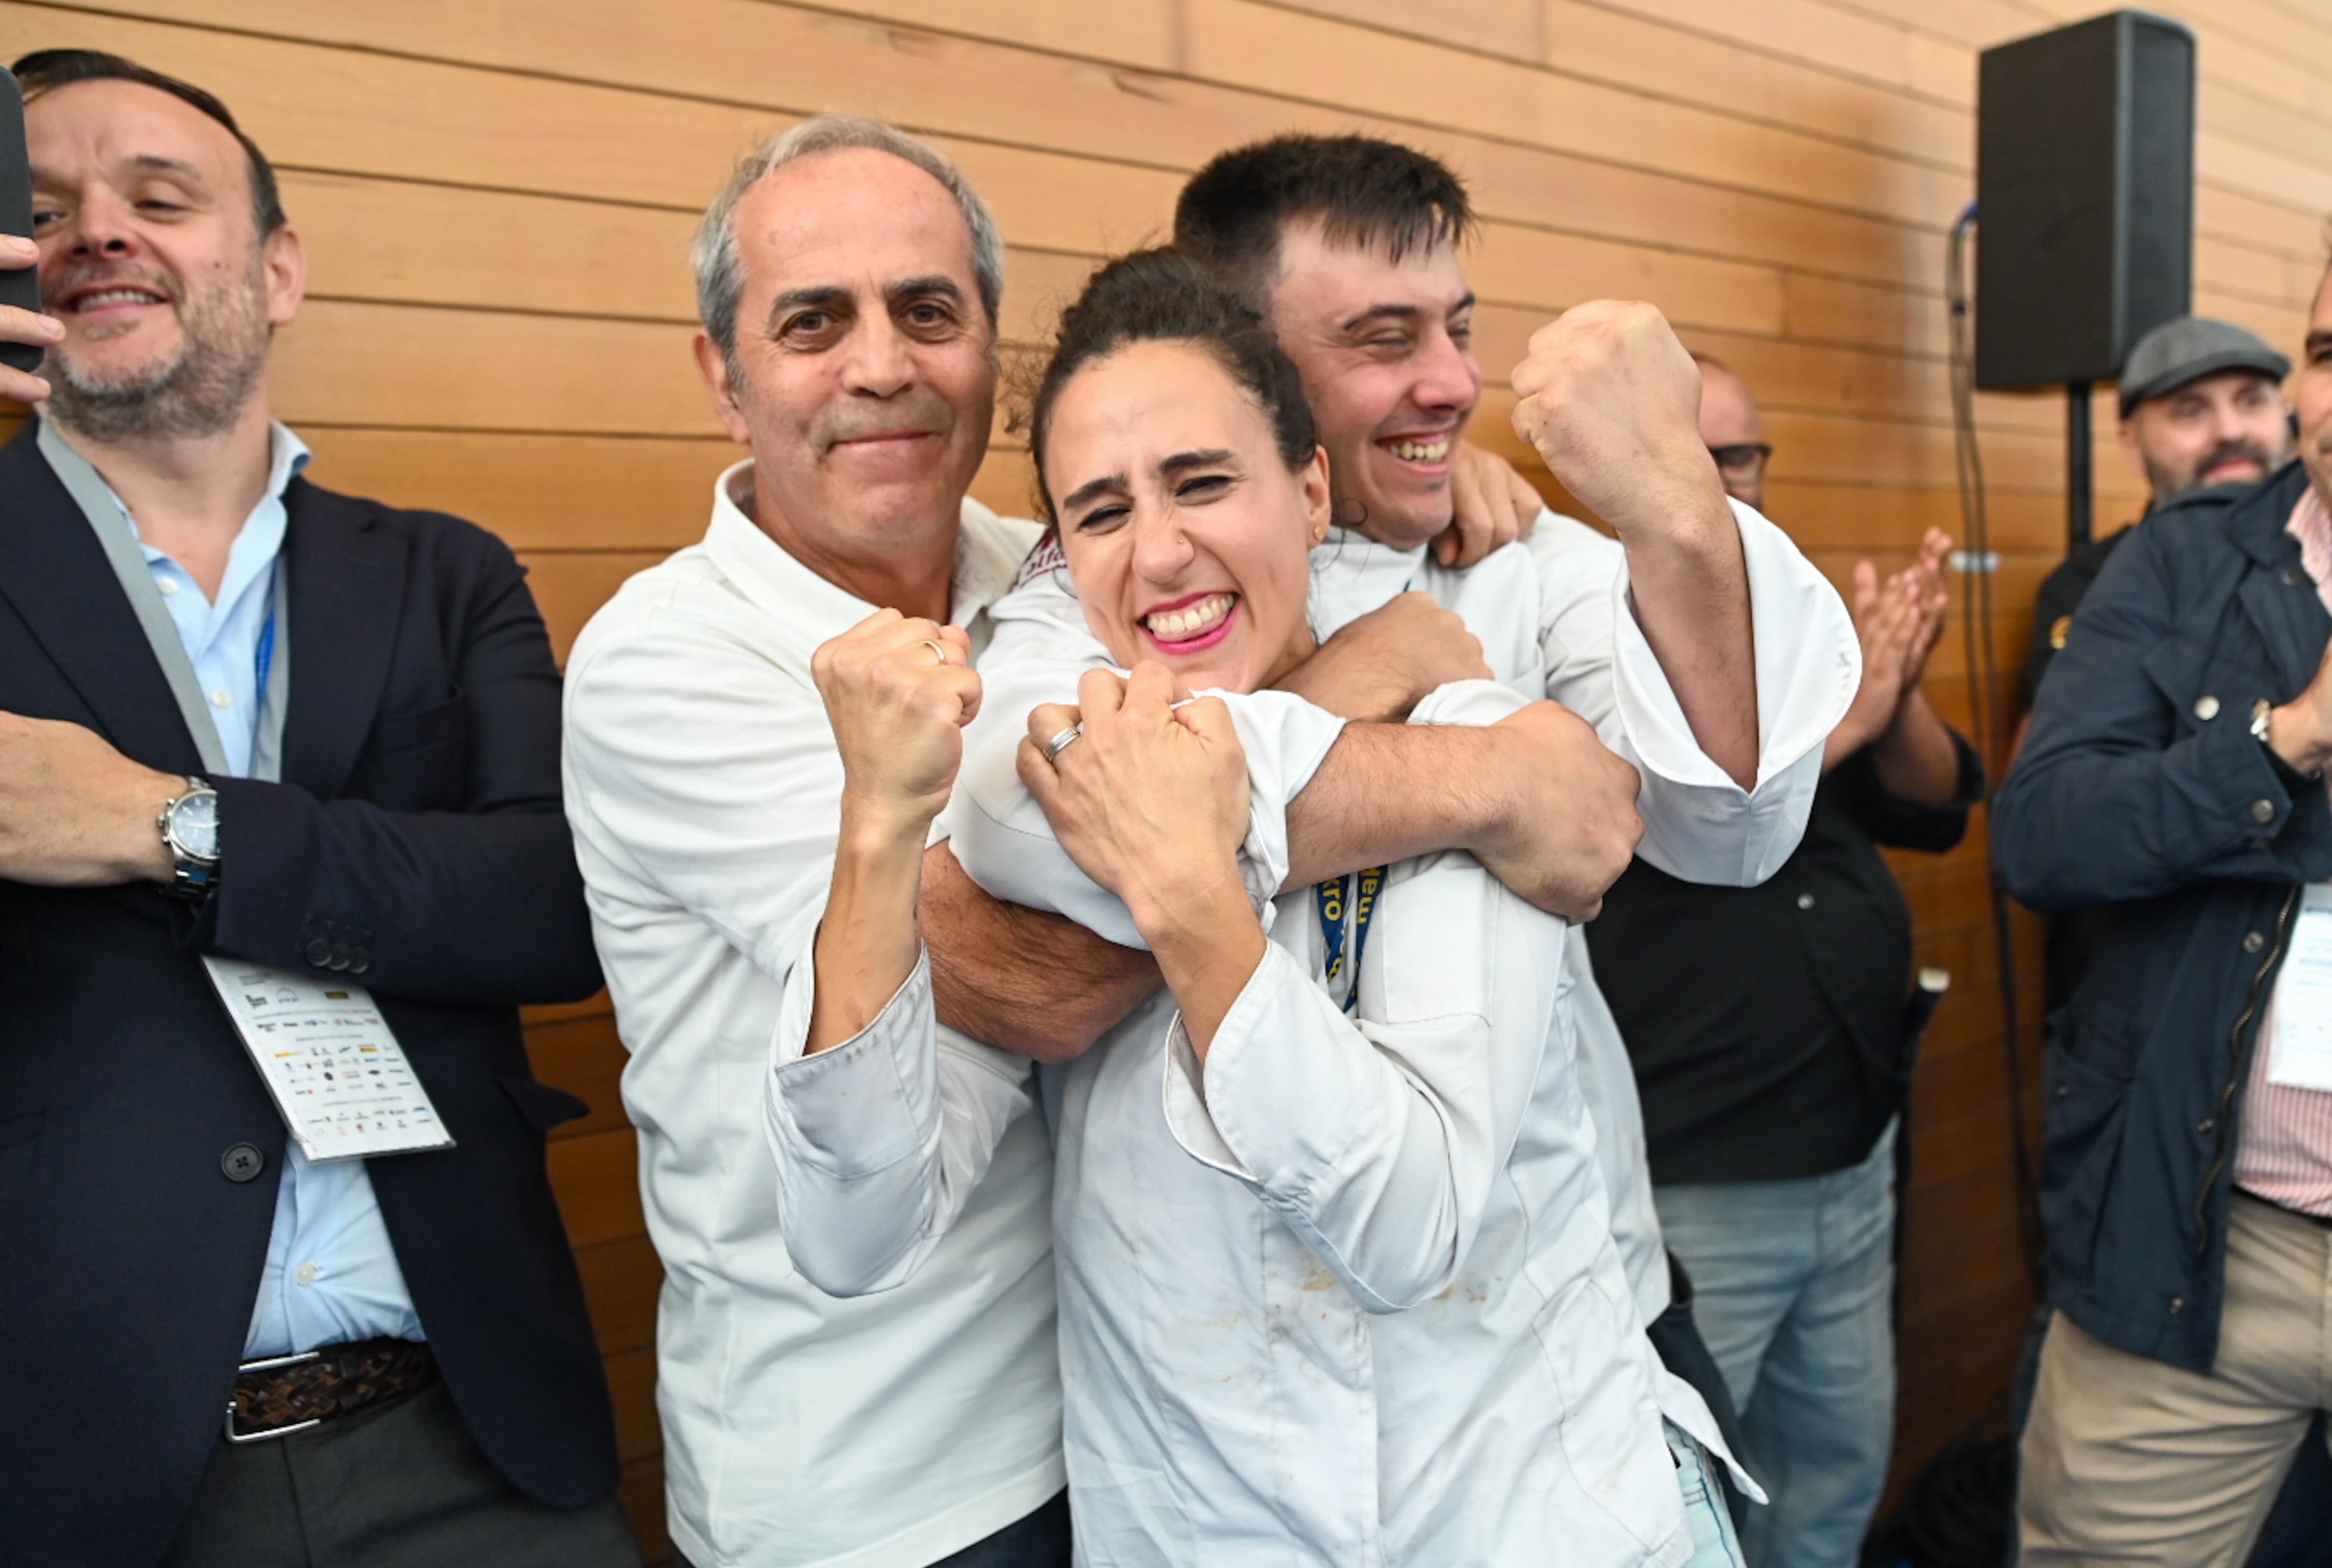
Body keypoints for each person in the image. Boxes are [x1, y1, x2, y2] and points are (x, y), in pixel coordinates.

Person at [561, 117, 1642, 1568]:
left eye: (927, 312)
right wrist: (1470, 762)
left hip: (1132, 1430)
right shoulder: (669, 659)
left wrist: (1442, 499)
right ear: (724, 373)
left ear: (987, 349)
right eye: (813, 321)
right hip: (884, 1476)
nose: (881, 364)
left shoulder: (1048, 570)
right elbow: (1032, 976)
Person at [817, 244, 1779, 1564]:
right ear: (1056, 553)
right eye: (1101, 511)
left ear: (1312, 489)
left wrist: (1175, 873)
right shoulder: (1049, 749)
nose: (1159, 552)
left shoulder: (1463, 731)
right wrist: (879, 829)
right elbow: (851, 1229)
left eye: (1204, 483)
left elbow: (1402, 1219)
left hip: (1524, 1512)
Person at [0, 49, 634, 1568]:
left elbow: (548, 903)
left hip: (471, 1442)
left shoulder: (444, 572)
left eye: (159, 198)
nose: (99, 232)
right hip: (85, 1472)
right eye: (46, 212)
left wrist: (165, 824)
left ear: (277, 270)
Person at [1586, 355, 1984, 1568]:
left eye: (1743, 454)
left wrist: (1888, 683)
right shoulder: (1586, 618)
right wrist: (1842, 711)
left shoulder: (1793, 613)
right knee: (1705, 1505)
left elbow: (1941, 800)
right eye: (1693, 454)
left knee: (1834, 1476)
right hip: (1703, 1185)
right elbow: (1643, 829)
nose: (1723, 479)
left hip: (1853, 1160)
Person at [1993, 262, 2332, 1565]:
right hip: (2200, 1246)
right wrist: (2288, 740)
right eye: (2325, 345)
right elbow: (2040, 831)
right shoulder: (2176, 566)